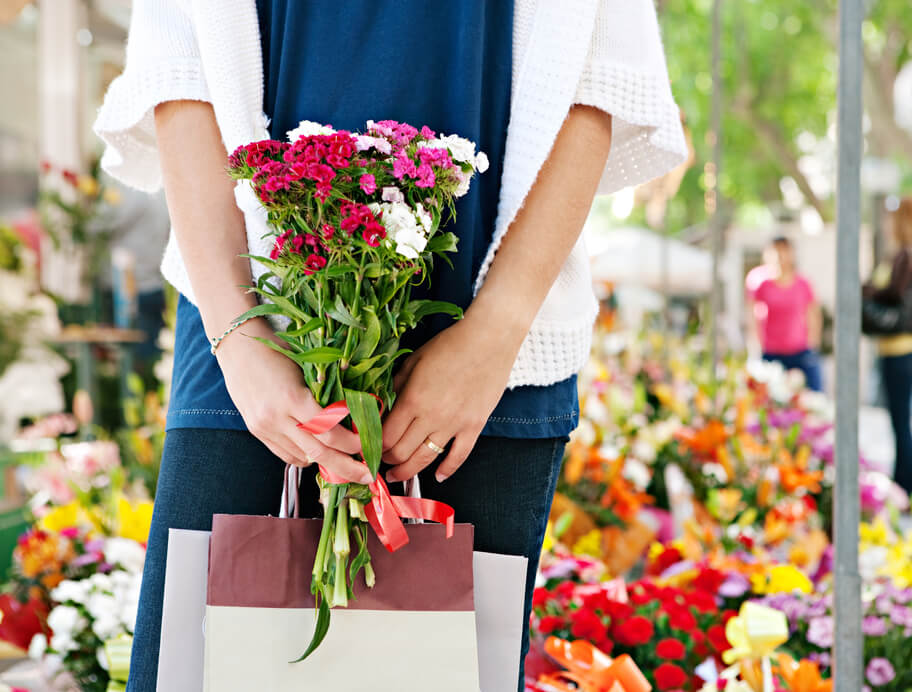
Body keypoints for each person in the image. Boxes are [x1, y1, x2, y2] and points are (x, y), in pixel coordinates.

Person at [93, 1, 687, 689]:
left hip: (487, 350)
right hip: (253, 336)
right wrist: (238, 335)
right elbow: (179, 62)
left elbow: (600, 79)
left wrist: (493, 335)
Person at [864, 196, 912, 499]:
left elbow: (894, 295)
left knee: (901, 421)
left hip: (902, 350)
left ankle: (905, 487)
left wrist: (868, 290)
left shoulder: (907, 255)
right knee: (900, 420)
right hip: (905, 349)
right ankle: (903, 484)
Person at [746, 236, 823, 391]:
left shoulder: (803, 284)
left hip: (800, 352)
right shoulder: (759, 281)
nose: (780, 255)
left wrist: (813, 345)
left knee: (813, 394)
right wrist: (754, 347)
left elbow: (813, 315)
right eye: (776, 250)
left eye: (784, 250)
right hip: (771, 353)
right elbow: (752, 316)